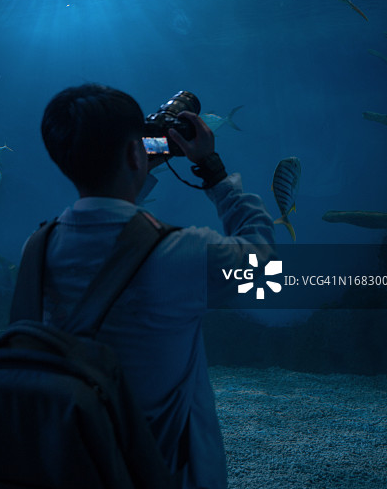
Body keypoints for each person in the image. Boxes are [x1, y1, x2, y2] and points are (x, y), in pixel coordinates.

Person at [40, 83, 275, 489]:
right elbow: (260, 264)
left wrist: (134, 165)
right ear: (135, 152)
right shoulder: (178, 254)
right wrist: (212, 169)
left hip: (72, 467)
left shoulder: (38, 248)